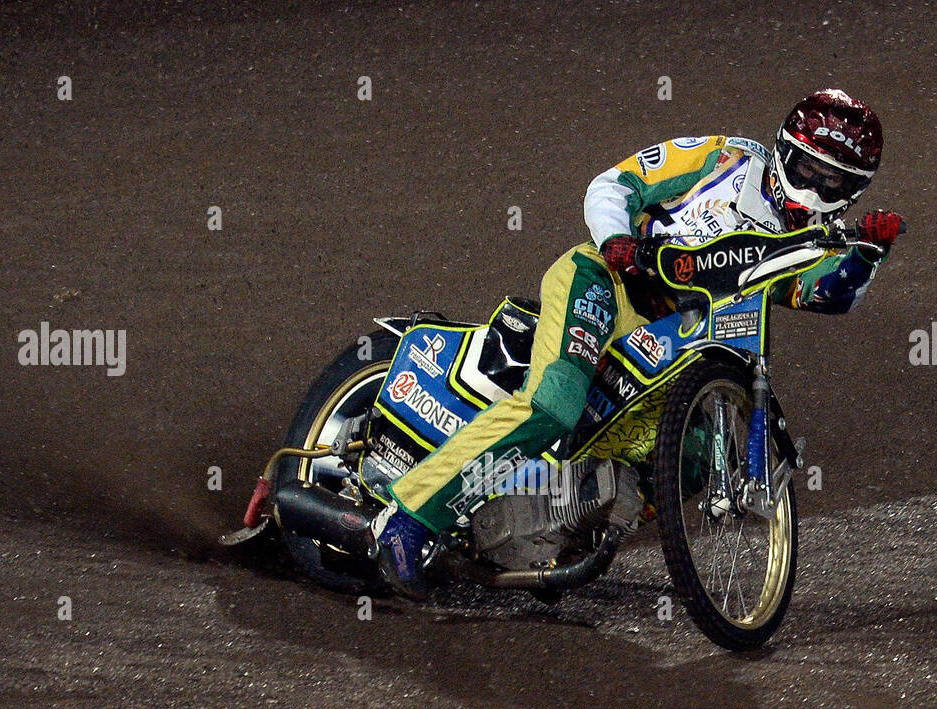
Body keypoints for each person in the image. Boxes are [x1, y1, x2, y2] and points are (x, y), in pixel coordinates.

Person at [375, 88, 905, 593]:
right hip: (607, 285)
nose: (814, 190)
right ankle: (408, 520)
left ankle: (560, 532)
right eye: (808, 170)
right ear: (784, 150)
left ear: (855, 191)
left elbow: (828, 294)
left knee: (692, 458)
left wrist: (866, 254)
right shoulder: (725, 159)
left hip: (688, 339)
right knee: (555, 406)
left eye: (833, 184)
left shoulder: (823, 240)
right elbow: (613, 184)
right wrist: (618, 242)